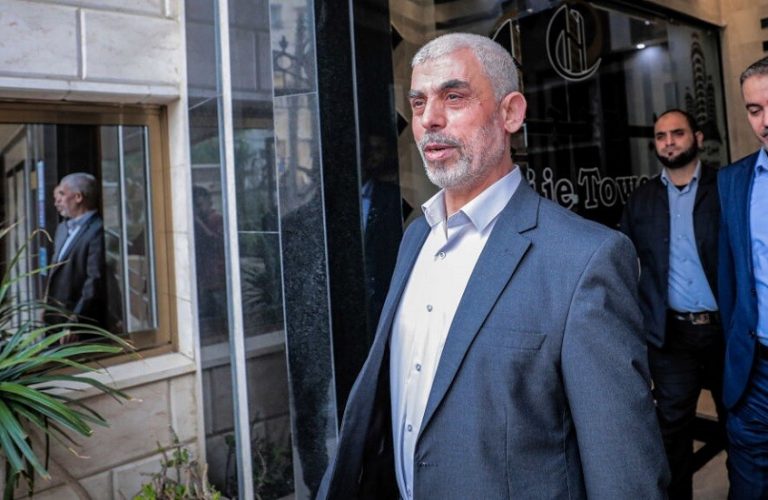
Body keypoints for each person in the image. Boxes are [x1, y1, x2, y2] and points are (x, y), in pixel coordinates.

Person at [317, 33, 668, 499]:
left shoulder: (585, 259)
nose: (429, 119)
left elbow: (624, 474)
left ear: (511, 113)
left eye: (453, 97)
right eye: (418, 103)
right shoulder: (415, 237)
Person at [620, 109, 725, 499]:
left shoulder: (725, 188)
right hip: (671, 337)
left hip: (726, 332)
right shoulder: (642, 199)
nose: (668, 142)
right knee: (672, 433)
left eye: (677, 133)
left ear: (697, 138)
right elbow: (626, 264)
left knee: (742, 425)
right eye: (661, 136)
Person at [718, 55, 768, 499]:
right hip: (755, 374)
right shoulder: (733, 181)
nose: (765, 121)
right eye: (754, 110)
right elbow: (730, 280)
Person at [45, 172, 108, 335]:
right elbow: (55, 271)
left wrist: (76, 321)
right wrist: (45, 306)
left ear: (78, 197)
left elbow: (94, 281)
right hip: (54, 320)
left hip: (76, 328)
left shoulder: (98, 230)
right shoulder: (62, 228)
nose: (57, 201)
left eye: (62, 194)